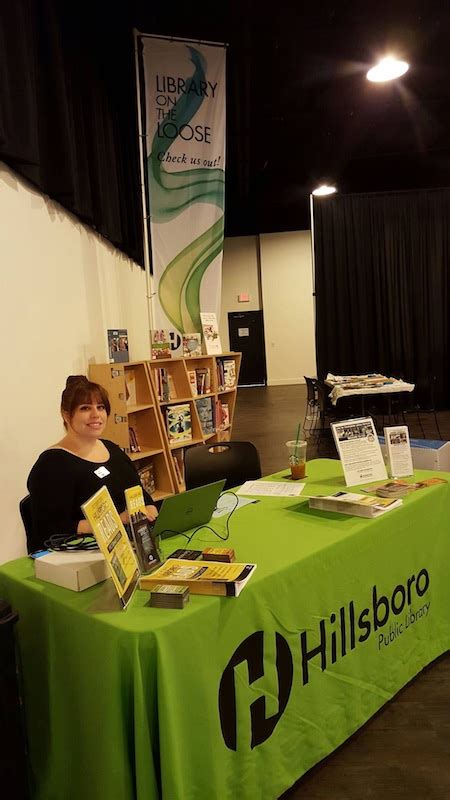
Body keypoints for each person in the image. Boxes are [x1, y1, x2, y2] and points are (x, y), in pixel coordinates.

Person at [27, 375, 158, 553]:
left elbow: (141, 494)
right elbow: (51, 529)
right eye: (85, 408)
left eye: (101, 407)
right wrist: (117, 520)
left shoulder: (113, 450)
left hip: (131, 544)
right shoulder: (52, 464)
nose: (96, 414)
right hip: (79, 554)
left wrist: (150, 509)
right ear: (66, 415)